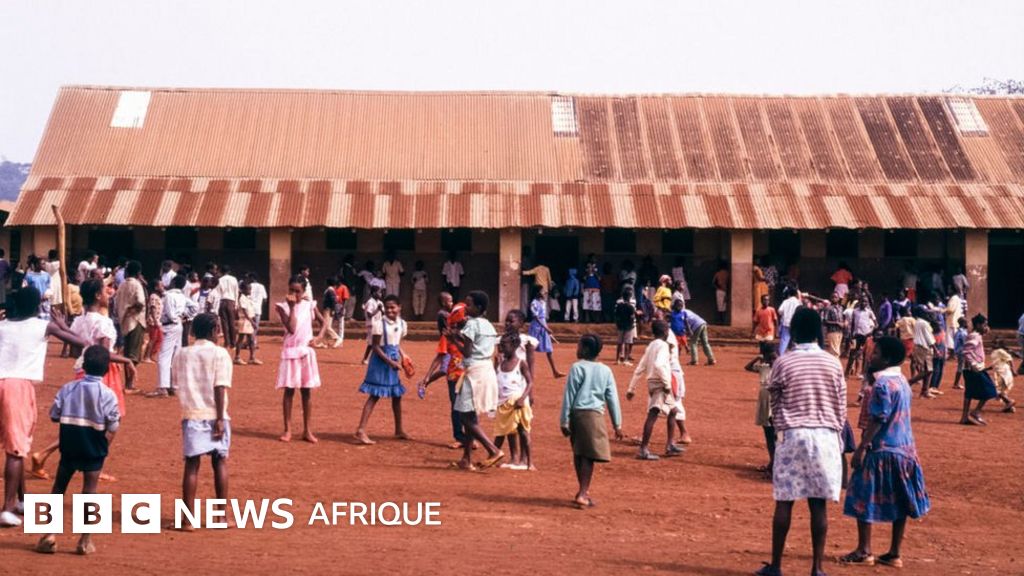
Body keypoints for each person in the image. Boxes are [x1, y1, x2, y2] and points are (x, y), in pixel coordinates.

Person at [755, 308, 847, 576]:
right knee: (818, 506)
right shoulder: (833, 363)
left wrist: (781, 426)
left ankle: (776, 566)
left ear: (793, 330)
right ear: (819, 331)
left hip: (793, 435)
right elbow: (840, 404)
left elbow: (774, 397)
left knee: (784, 501)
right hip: (825, 436)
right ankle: (817, 568)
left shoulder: (784, 362)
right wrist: (835, 433)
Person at [840, 336, 931, 569]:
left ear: (887, 359)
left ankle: (864, 550)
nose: (871, 356)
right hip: (905, 449)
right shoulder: (902, 381)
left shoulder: (881, 385)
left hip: (881, 448)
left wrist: (862, 447)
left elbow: (878, 419)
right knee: (901, 499)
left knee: (862, 495)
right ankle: (894, 553)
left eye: (876, 353)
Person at [0, 287, 88, 527]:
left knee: (16, 445)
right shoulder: (43, 326)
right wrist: (63, 325)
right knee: (16, 449)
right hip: (18, 386)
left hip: (1, 380)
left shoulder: (3, 325)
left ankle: (22, 500)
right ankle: (7, 508)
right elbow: (82, 343)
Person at [33, 346, 120, 554]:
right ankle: (84, 540)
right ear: (106, 369)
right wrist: (104, 445)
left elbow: (54, 415)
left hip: (69, 444)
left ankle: (48, 535)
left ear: (84, 366)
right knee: (89, 491)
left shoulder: (68, 388)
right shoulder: (108, 394)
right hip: (94, 445)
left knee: (58, 488)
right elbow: (113, 425)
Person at [173, 313, 232, 532]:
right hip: (216, 414)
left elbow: (177, 382)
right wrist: (219, 418)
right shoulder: (219, 353)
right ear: (214, 330)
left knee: (192, 465)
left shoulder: (182, 353)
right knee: (220, 461)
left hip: (192, 414)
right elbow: (220, 386)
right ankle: (220, 517)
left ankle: (187, 520)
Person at [560, 334, 624, 509]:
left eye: (579, 346)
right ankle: (583, 493)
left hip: (576, 415)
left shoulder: (577, 367)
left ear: (586, 349)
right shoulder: (605, 370)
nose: (577, 349)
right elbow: (612, 398)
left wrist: (564, 420)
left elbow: (569, 394)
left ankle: (582, 491)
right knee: (588, 456)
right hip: (594, 416)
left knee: (579, 453)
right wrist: (617, 424)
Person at [447, 291, 505, 470]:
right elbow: (483, 348)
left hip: (474, 372)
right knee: (471, 414)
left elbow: (467, 352)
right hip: (486, 370)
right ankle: (466, 458)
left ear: (478, 307)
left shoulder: (472, 324)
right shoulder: (489, 325)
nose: (466, 308)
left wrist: (453, 339)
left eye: (469, 305)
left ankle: (493, 450)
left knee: (465, 416)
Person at [355, 295, 410, 444]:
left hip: (393, 361)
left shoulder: (402, 324)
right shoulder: (379, 324)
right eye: (387, 307)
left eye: (393, 307)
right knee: (375, 395)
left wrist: (404, 356)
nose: (390, 310)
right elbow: (375, 347)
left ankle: (399, 429)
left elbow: (397, 344)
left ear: (399, 307)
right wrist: (390, 362)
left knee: (397, 395)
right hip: (380, 362)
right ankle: (361, 430)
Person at [418, 294, 469, 449]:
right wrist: (427, 377)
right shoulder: (447, 337)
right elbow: (439, 357)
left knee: (469, 407)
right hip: (454, 376)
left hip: (469, 375)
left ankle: (470, 437)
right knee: (456, 406)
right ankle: (460, 437)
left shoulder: (470, 335)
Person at [627, 320, 682, 461]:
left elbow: (640, 367)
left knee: (673, 411)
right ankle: (643, 449)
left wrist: (631, 388)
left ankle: (670, 444)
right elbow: (659, 365)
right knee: (653, 414)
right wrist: (667, 384)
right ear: (665, 332)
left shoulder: (651, 345)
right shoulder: (663, 346)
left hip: (653, 382)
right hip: (660, 383)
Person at [276, 275, 322, 443]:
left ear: (303, 291)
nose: (294, 294)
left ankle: (307, 430)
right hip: (290, 352)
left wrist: (318, 338)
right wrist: (292, 307)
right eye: (291, 290)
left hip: (305, 352)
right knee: (289, 391)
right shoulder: (282, 307)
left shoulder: (310, 305)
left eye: (298, 291)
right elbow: (292, 328)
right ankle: (287, 429)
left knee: (306, 392)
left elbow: (324, 322)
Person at [149, 274, 199, 398]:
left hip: (170, 326)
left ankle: (163, 388)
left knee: (164, 357)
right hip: (178, 326)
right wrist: (185, 316)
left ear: (174, 283)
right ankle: (173, 386)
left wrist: (175, 318)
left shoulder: (168, 296)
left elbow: (171, 314)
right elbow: (195, 307)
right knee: (175, 356)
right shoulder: (182, 296)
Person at [493, 332, 535, 470]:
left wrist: (523, 398)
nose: (501, 348)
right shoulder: (500, 363)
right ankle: (505, 458)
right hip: (503, 402)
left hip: (517, 402)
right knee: (505, 430)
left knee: (523, 431)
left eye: (504, 345)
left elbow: (530, 382)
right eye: (500, 345)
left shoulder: (520, 363)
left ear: (515, 345)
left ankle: (529, 463)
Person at [746, 341, 777, 480]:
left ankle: (774, 464)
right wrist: (758, 358)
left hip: (775, 402)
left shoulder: (780, 368)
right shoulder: (763, 367)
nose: (773, 361)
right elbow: (747, 367)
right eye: (770, 358)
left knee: (776, 435)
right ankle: (772, 462)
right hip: (765, 402)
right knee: (769, 434)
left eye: (774, 357)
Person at [960, 314, 998, 426]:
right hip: (974, 369)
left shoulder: (976, 335)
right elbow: (966, 351)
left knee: (969, 392)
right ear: (978, 325)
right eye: (984, 325)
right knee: (990, 389)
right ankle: (975, 412)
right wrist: (973, 364)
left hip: (973, 368)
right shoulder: (975, 336)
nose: (986, 327)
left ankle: (965, 417)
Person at [114, 261, 146, 385]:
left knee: (127, 353)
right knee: (133, 354)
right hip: (136, 321)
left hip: (124, 321)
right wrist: (132, 311)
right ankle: (130, 383)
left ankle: (128, 382)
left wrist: (124, 313)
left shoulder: (122, 285)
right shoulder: (137, 285)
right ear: (139, 273)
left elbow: (116, 303)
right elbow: (141, 302)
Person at [528, 285, 565, 378]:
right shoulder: (534, 303)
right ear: (537, 292)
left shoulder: (542, 302)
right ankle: (529, 371)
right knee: (530, 350)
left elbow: (542, 317)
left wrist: (546, 327)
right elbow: (536, 318)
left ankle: (555, 371)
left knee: (549, 349)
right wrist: (546, 328)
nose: (544, 292)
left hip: (543, 326)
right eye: (542, 291)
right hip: (536, 327)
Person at [907, 310, 938, 399]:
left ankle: (925, 391)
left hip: (920, 347)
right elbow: (929, 337)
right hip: (924, 347)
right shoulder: (924, 323)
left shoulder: (918, 322)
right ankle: (909, 382)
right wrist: (935, 349)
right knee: (927, 370)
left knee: (928, 370)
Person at [846, 300, 877, 377]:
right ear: (859, 302)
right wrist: (851, 335)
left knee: (865, 355)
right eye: (862, 301)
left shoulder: (869, 312)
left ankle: (863, 373)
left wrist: (870, 332)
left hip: (866, 336)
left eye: (865, 302)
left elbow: (876, 324)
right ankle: (847, 373)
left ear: (867, 303)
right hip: (856, 336)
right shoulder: (855, 311)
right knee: (852, 354)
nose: (864, 303)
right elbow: (852, 324)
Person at [234, 281, 260, 365]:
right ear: (242, 290)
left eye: (250, 289)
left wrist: (253, 320)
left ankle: (252, 357)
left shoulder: (247, 298)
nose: (250, 291)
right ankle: (237, 357)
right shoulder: (242, 298)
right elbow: (245, 312)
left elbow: (250, 311)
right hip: (244, 321)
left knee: (251, 339)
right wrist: (252, 322)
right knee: (241, 339)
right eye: (248, 289)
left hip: (249, 321)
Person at [312, 277, 341, 349]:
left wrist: (333, 310)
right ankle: (326, 342)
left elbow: (334, 302)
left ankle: (337, 338)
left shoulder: (330, 290)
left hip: (328, 309)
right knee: (326, 326)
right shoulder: (330, 290)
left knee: (326, 326)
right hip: (328, 309)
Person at [989, 338, 1017, 413]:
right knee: (1002, 391)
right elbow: (995, 363)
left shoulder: (1000, 351)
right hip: (999, 372)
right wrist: (987, 369)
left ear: (1000, 345)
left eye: (995, 343)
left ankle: (1009, 401)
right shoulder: (994, 352)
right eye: (993, 343)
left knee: (996, 390)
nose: (993, 344)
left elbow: (1010, 359)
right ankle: (1010, 407)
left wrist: (1013, 370)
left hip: (1004, 372)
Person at [215, 265, 239, 349]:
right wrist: (236, 304)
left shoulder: (220, 280)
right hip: (231, 301)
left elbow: (218, 293)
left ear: (222, 271)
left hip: (222, 301)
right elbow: (236, 292)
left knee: (224, 323)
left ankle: (227, 343)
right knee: (232, 323)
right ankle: (233, 343)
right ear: (229, 271)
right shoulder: (234, 279)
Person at [141, 279, 164, 364]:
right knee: (153, 339)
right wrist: (155, 320)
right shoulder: (153, 296)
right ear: (156, 287)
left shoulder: (158, 296)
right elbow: (153, 308)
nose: (163, 287)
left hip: (157, 321)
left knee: (159, 338)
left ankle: (151, 355)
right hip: (153, 321)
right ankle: (146, 356)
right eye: (161, 285)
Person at [614, 287, 639, 365]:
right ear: (629, 297)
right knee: (627, 343)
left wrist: (618, 324)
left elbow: (616, 316)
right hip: (628, 327)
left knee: (619, 343)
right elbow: (632, 317)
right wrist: (631, 325)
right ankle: (625, 360)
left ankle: (617, 359)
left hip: (620, 326)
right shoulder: (630, 307)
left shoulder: (619, 305)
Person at [360, 285, 383, 364]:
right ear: (373, 293)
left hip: (379, 324)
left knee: (379, 342)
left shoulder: (380, 302)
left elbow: (383, 313)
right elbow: (369, 314)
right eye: (379, 292)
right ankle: (365, 358)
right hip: (372, 324)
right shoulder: (370, 302)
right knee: (371, 343)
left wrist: (381, 310)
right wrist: (377, 310)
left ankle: (377, 358)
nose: (380, 294)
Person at [776, 288, 801, 356]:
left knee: (784, 340)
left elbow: (780, 311)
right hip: (795, 324)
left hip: (786, 323)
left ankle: (781, 355)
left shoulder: (785, 301)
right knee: (795, 340)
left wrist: (785, 314)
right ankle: (796, 356)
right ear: (796, 294)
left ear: (789, 294)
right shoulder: (798, 302)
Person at [247, 273, 268, 349]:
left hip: (250, 308)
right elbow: (265, 299)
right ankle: (252, 342)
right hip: (257, 309)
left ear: (251, 278)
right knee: (255, 326)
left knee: (249, 327)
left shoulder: (249, 286)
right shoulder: (261, 286)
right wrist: (260, 303)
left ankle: (250, 342)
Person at [333, 276, 351, 346]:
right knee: (334, 323)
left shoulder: (344, 287)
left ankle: (340, 339)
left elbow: (345, 299)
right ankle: (336, 338)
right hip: (335, 305)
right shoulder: (335, 287)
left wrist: (343, 308)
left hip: (340, 305)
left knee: (340, 323)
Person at [952, 317, 969, 390]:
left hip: (960, 351)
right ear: (963, 323)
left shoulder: (958, 332)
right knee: (961, 367)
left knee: (964, 367)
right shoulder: (963, 333)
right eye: (966, 322)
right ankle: (956, 384)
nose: (967, 323)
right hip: (962, 352)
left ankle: (962, 383)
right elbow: (965, 343)